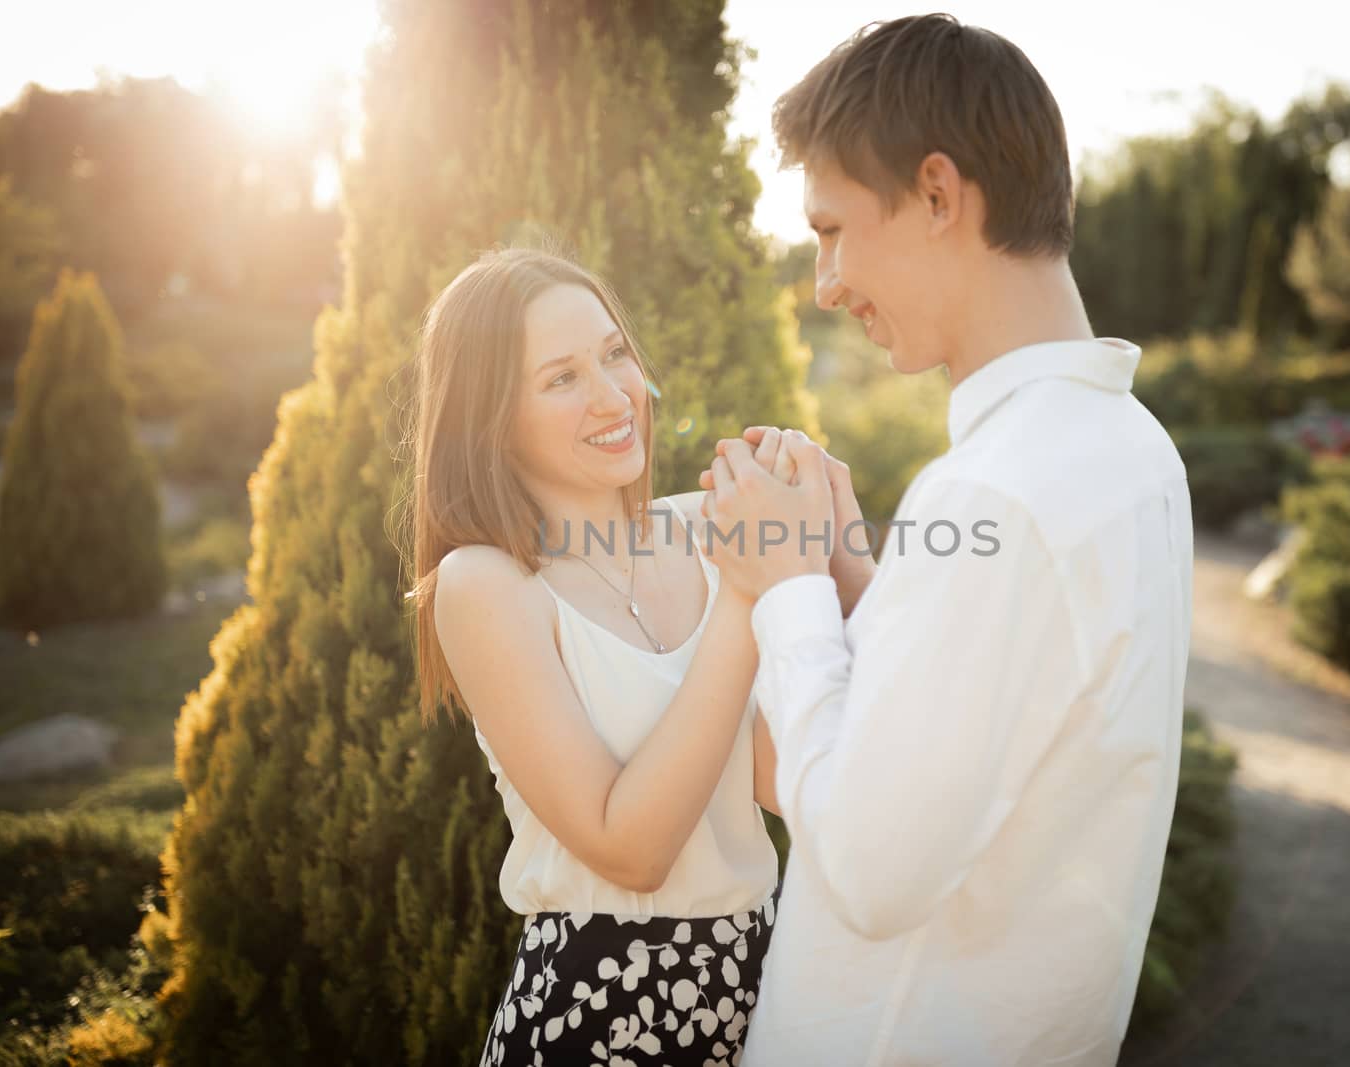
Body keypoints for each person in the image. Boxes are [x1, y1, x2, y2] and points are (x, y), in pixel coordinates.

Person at [694, 14, 1195, 1066]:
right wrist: (849, 581)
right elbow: (1002, 728)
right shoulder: (1131, 446)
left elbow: (874, 869)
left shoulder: (1001, 489)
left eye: (831, 229)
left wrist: (786, 588)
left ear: (934, 194)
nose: (823, 282)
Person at [404, 247, 796, 1064]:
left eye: (615, 354)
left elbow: (784, 781)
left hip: (773, 995)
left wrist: (834, 547)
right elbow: (631, 850)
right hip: (602, 1015)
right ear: (491, 417)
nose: (616, 394)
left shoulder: (705, 533)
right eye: (561, 378)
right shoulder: (485, 583)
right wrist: (747, 599)